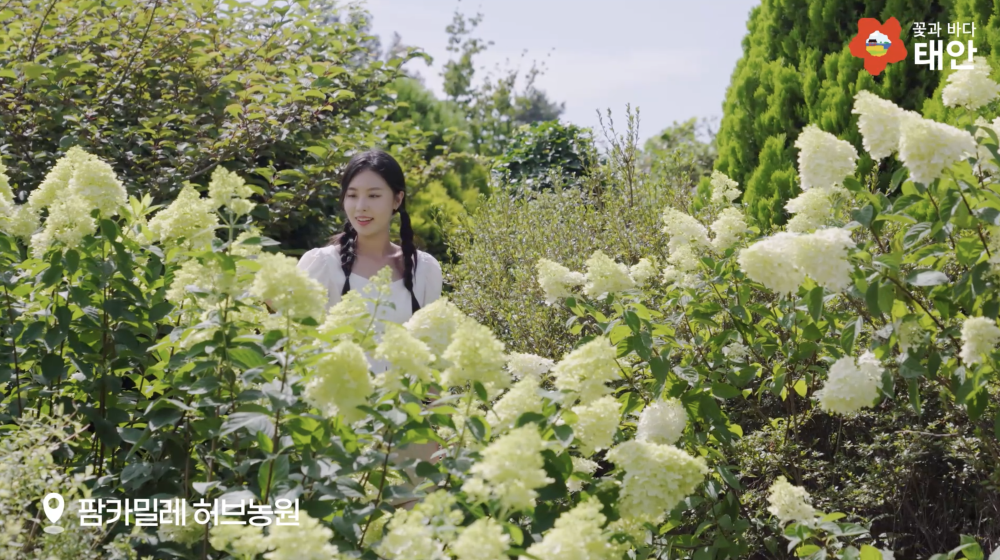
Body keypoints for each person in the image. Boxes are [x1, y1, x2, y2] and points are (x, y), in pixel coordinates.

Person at [297, 149, 443, 508]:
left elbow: (431, 358)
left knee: (417, 529)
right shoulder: (323, 265)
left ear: (397, 200)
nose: (361, 207)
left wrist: (442, 429)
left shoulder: (425, 269)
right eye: (352, 195)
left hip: (409, 430)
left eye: (374, 195)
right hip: (342, 430)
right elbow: (298, 347)